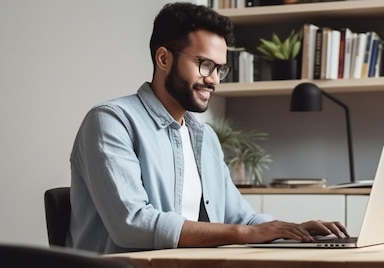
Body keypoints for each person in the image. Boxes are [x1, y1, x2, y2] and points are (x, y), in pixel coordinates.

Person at [68, 2, 349, 254]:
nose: (214, 80)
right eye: (204, 65)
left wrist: (294, 231)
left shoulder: (203, 136)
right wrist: (245, 234)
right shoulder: (111, 121)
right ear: (164, 59)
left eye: (220, 69)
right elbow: (132, 223)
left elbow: (241, 218)